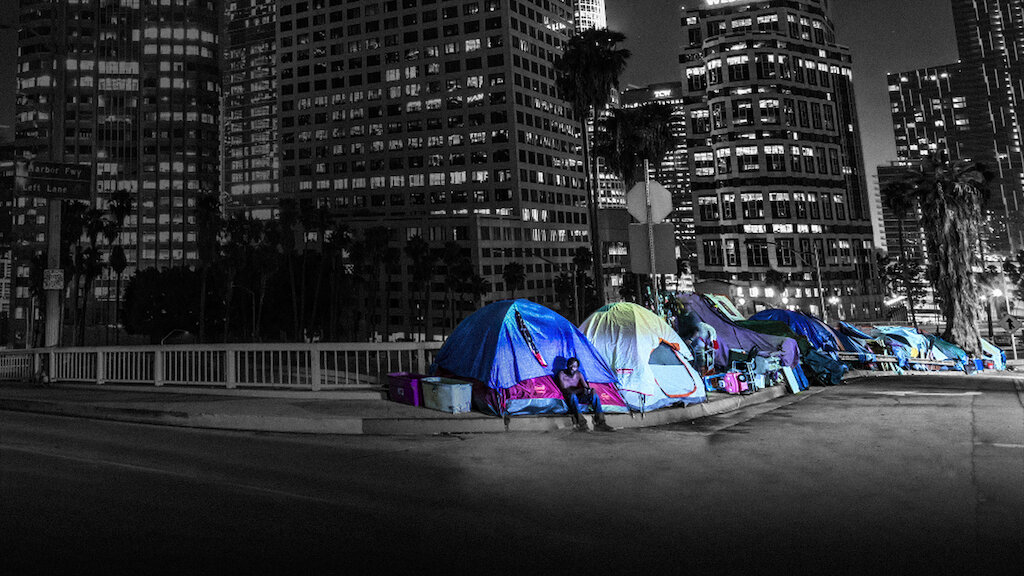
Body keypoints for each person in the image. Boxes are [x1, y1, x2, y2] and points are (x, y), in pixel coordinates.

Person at [556, 357, 614, 432]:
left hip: (578, 396)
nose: (572, 368)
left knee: (594, 395)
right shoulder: (562, 374)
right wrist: (581, 390)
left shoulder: (578, 374)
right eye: (570, 365)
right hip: (569, 398)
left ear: (577, 367)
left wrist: (590, 390)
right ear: (567, 365)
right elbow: (565, 390)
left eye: (574, 366)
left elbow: (586, 387)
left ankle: (601, 423)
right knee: (572, 396)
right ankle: (582, 424)